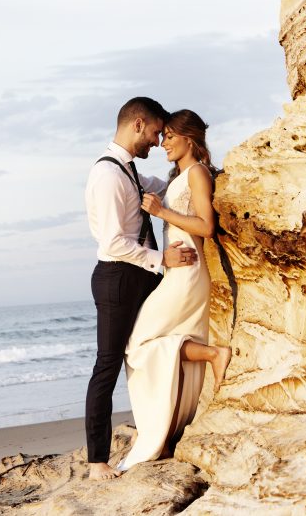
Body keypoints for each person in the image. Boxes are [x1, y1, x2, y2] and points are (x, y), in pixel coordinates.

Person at [84, 97, 199, 481]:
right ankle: (97, 461)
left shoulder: (129, 170)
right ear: (137, 123)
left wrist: (200, 170)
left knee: (148, 350)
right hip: (118, 277)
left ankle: (158, 433)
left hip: (140, 275)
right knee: (108, 364)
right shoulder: (108, 175)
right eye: (154, 132)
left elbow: (168, 189)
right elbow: (114, 242)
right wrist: (163, 258)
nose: (157, 141)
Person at [117, 109, 232, 471]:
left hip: (188, 272)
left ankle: (214, 354)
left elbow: (206, 226)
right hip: (175, 272)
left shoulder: (197, 173)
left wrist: (161, 213)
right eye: (162, 136)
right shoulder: (177, 178)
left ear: (189, 139)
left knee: (137, 344)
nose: (163, 143)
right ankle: (164, 435)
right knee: (147, 346)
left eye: (169, 136)